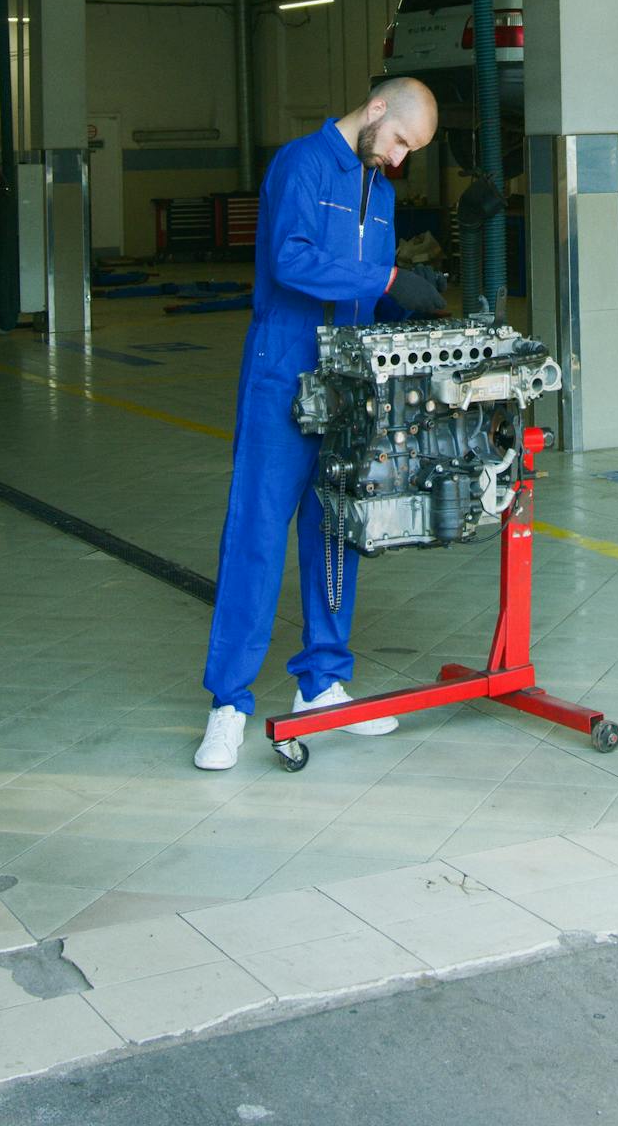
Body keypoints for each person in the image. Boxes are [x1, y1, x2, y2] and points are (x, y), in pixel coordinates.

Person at [194, 78, 445, 770]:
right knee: (255, 540)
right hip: (284, 376)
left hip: (348, 387)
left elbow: (365, 293)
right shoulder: (300, 165)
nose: (398, 160)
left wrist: (415, 305)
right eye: (398, 141)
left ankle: (323, 684)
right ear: (374, 112)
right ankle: (228, 705)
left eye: (409, 152)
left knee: (337, 533)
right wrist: (390, 281)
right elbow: (292, 259)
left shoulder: (382, 190)